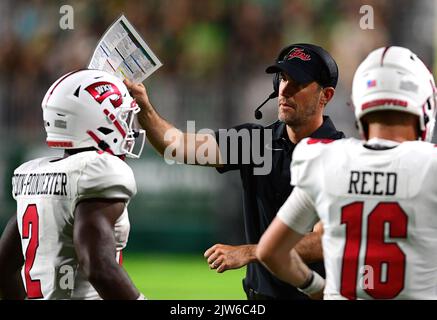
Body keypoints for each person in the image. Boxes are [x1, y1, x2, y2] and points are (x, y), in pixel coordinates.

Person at [125, 43, 345, 299]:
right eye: (283, 79)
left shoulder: (340, 156)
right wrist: (144, 107)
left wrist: (249, 252)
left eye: (299, 83)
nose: (285, 89)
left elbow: (323, 241)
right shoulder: (255, 142)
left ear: (326, 96)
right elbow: (176, 146)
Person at [257, 46, 437, 299]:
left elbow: (270, 251)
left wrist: (315, 287)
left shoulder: (323, 158)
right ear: (424, 106)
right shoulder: (430, 165)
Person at [0, 69, 146, 300]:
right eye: (122, 117)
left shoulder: (33, 175)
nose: (129, 128)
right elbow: (98, 268)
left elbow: (3, 267)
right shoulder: (97, 171)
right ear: (99, 121)